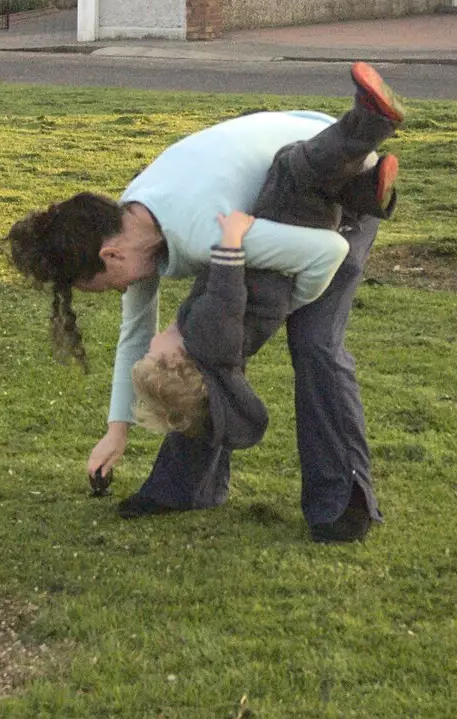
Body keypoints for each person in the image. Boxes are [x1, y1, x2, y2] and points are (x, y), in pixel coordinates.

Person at [1, 62, 404, 543]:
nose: (118, 293)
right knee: (207, 343)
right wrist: (117, 431)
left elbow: (325, 253)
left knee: (314, 343)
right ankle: (186, 487)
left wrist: (289, 305)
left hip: (338, 182)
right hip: (273, 188)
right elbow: (136, 337)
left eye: (105, 286)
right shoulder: (132, 216)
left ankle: (344, 505)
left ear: (110, 256)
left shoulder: (202, 230)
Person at [130, 90, 401, 461]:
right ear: (173, 359)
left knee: (312, 187)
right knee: (290, 169)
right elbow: (225, 294)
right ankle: (370, 123)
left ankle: (366, 192)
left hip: (282, 275)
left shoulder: (215, 354)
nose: (150, 344)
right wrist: (231, 238)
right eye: (151, 354)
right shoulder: (205, 338)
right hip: (273, 258)